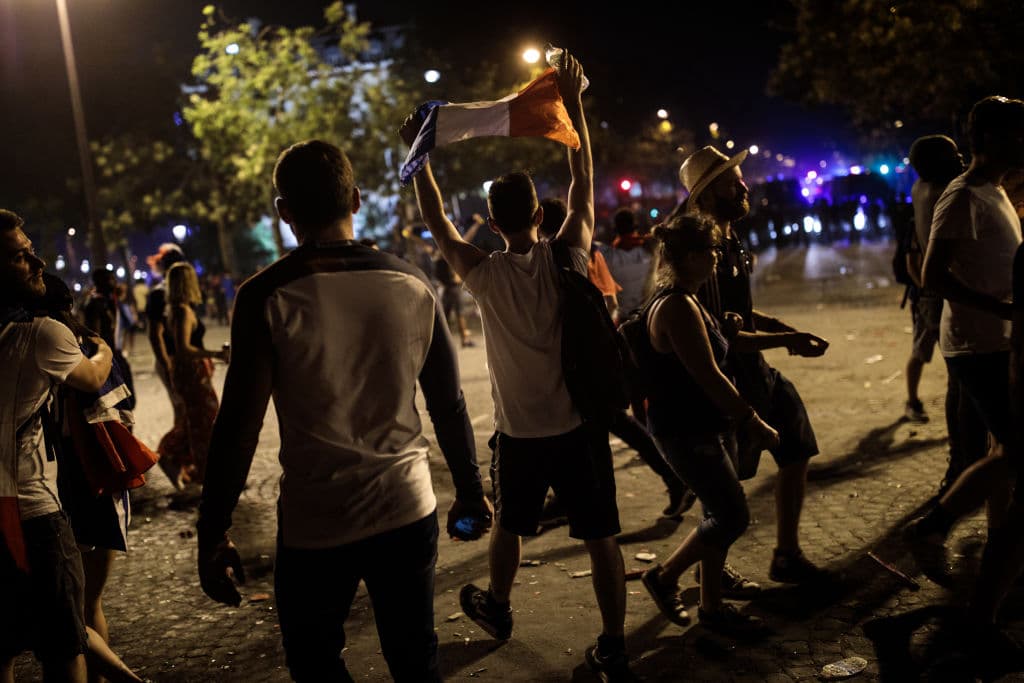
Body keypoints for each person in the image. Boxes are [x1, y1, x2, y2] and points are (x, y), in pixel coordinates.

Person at [197, 139, 492, 682]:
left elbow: (239, 427)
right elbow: (447, 405)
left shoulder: (265, 296)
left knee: (314, 662)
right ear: (356, 200)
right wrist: (471, 491)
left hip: (317, 520)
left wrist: (212, 529)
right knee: (414, 658)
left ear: (285, 213)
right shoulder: (413, 283)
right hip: (406, 505)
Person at [402, 52, 634, 681]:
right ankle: (614, 641)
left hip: (521, 433)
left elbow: (437, 223)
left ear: (495, 220)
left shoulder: (482, 275)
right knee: (601, 535)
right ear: (539, 214)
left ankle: (499, 607)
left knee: (511, 522)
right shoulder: (570, 256)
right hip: (579, 426)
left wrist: (420, 157)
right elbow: (583, 170)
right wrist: (571, 102)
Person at [677, 145, 831, 593]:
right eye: (731, 182)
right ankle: (701, 577)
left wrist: (781, 327)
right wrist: (789, 340)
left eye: (739, 178)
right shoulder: (702, 254)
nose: (743, 186)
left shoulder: (732, 239)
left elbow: (742, 314)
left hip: (757, 372)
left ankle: (785, 554)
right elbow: (723, 337)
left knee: (797, 446)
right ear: (705, 197)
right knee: (727, 490)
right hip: (729, 382)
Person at [906, 96, 1024, 637]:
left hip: (1002, 343)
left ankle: (979, 539)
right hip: (977, 347)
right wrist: (1002, 308)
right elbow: (933, 275)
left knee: (1007, 451)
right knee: (1013, 450)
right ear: (994, 138)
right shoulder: (962, 195)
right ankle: (940, 526)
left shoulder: (997, 190)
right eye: (1017, 133)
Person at [637, 214, 778, 636]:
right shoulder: (677, 305)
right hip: (687, 429)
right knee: (731, 516)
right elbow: (709, 375)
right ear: (694, 257)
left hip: (704, 425)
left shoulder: (687, 297)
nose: (718, 257)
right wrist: (754, 422)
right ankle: (664, 577)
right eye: (712, 251)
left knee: (716, 511)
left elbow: (715, 353)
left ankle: (712, 607)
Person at [0, 209, 111, 683]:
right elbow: (91, 378)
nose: (38, 261)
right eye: (21, 256)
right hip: (32, 516)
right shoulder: (43, 334)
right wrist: (103, 348)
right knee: (65, 647)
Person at [539, 197, 695, 520]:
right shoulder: (581, 252)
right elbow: (609, 300)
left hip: (586, 362)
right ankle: (569, 498)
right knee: (598, 428)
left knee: (614, 424)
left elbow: (603, 301)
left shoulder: (562, 256)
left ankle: (673, 479)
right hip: (588, 357)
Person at [905, 136, 987, 496]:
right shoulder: (946, 193)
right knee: (961, 382)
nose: (960, 158)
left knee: (958, 381)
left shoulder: (921, 188)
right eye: (952, 154)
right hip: (948, 293)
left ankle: (962, 461)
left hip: (936, 293)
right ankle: (963, 463)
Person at [158, 262, 228, 487]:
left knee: (197, 419)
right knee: (204, 419)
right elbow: (184, 348)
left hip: (189, 371)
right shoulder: (182, 311)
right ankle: (175, 456)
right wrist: (216, 353)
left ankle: (199, 468)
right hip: (190, 372)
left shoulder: (179, 309)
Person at [144, 244, 188, 489]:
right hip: (172, 361)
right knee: (185, 413)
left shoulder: (179, 291)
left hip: (184, 364)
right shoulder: (159, 294)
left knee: (187, 413)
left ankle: (185, 463)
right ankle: (168, 457)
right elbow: (154, 334)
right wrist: (167, 364)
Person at [606, 208, 655, 317]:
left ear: (616, 230)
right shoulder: (650, 253)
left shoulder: (608, 258)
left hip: (622, 319)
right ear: (635, 227)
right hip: (647, 316)